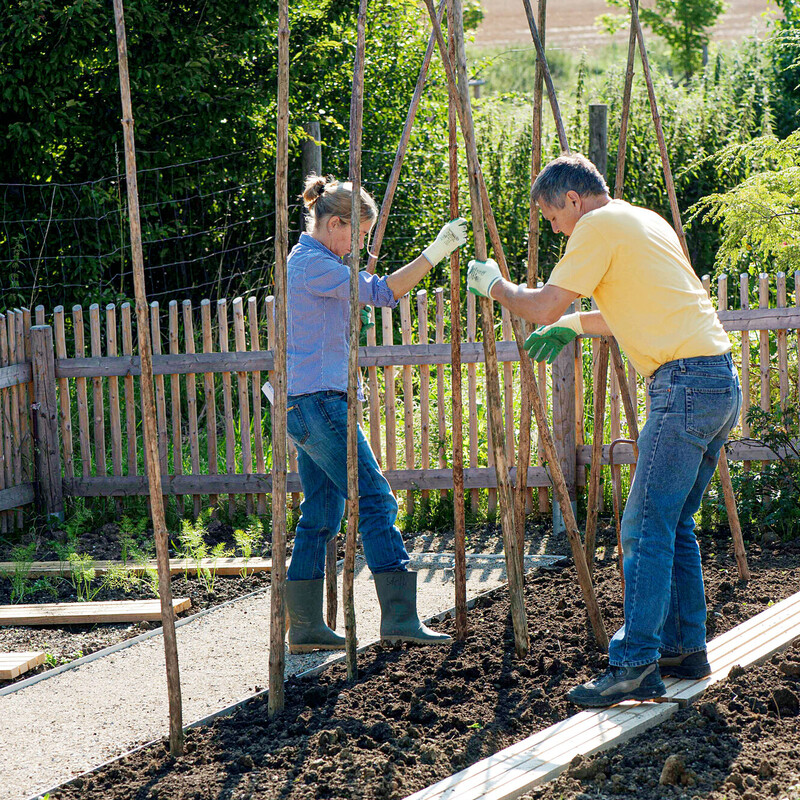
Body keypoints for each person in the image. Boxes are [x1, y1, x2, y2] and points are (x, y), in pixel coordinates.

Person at [466, 153, 741, 707]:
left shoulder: (593, 226)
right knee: (672, 523)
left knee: (641, 526)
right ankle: (684, 649)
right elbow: (629, 313)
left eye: (551, 216)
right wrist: (574, 323)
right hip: (717, 381)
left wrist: (497, 286)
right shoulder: (642, 220)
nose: (554, 227)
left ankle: (636, 664)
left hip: (682, 385)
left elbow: (541, 305)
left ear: (572, 199)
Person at [284, 173, 467, 653]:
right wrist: (438, 250)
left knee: (321, 511)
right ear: (335, 223)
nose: (359, 244)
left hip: (305, 405)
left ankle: (303, 628)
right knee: (376, 501)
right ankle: (400, 618)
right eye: (358, 234)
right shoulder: (313, 264)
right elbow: (385, 292)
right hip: (322, 405)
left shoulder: (309, 262)